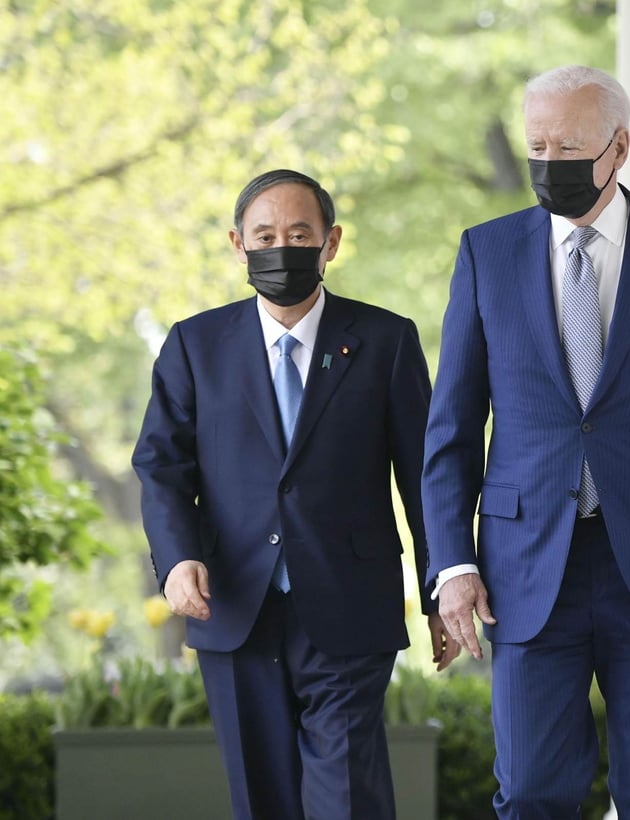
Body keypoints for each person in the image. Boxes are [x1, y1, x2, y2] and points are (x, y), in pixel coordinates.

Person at [421, 66, 630, 819]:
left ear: (620, 146)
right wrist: (451, 562)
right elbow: (450, 427)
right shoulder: (487, 253)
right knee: (535, 788)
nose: (550, 164)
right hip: (521, 567)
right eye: (537, 146)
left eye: (570, 147)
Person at [132, 169, 456, 820]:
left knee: (347, 797)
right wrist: (177, 558)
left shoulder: (386, 341)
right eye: (266, 234)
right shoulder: (195, 345)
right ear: (237, 243)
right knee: (262, 799)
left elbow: (426, 475)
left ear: (330, 243)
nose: (282, 247)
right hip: (233, 605)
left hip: (348, 607)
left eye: (300, 233)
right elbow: (161, 465)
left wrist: (440, 590)